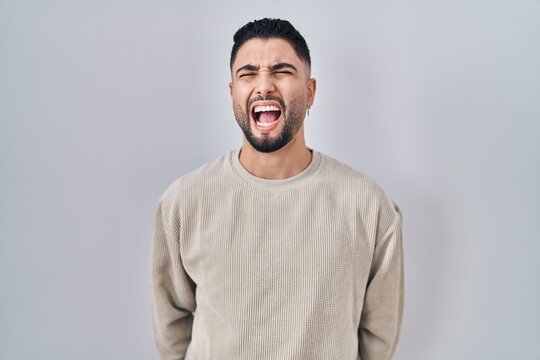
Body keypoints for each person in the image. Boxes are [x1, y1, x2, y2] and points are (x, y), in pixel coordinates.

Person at [151, 18, 404, 360]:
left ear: (310, 91)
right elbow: (171, 331)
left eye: (282, 71)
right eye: (248, 73)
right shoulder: (184, 202)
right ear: (232, 94)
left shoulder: (368, 206)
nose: (264, 85)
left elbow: (379, 338)